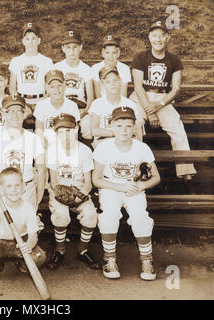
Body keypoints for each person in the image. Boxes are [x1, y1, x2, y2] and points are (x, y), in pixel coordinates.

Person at [92, 106, 161, 280]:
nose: (124, 130)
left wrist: (141, 186)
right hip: (110, 186)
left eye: (128, 126)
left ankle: (147, 260)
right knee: (108, 216)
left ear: (134, 127)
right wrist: (121, 187)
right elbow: (97, 179)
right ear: (112, 125)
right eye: (119, 125)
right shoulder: (103, 147)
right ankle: (109, 259)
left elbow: (156, 177)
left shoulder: (142, 148)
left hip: (134, 187)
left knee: (141, 218)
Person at [130, 20, 196, 180]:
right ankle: (135, 168)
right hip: (141, 98)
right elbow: (138, 87)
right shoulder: (141, 57)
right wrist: (149, 112)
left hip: (163, 99)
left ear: (167, 37)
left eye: (161, 36)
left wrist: (159, 104)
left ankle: (185, 172)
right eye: (154, 36)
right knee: (136, 123)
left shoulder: (173, 60)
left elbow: (176, 89)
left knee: (177, 128)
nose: (158, 39)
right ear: (149, 37)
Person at [46, 113, 100, 270]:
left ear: (76, 128)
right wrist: (66, 199)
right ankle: (60, 250)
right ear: (56, 133)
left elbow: (88, 184)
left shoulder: (85, 150)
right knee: (61, 215)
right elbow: (54, 183)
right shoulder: (53, 150)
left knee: (91, 216)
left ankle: (83, 250)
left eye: (69, 130)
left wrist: (80, 197)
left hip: (80, 189)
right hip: (59, 190)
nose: (66, 135)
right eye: (61, 132)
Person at [0, 167, 47, 281]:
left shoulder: (28, 208)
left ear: (23, 187)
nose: (13, 190)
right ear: (1, 189)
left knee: (40, 257)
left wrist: (29, 245)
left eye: (17, 185)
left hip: (21, 241)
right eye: (8, 186)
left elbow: (33, 236)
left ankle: (22, 264)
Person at [0, 95, 46, 228]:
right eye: (10, 111)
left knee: (26, 226)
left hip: (26, 187)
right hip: (4, 188)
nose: (15, 115)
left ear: (24, 113)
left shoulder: (34, 139)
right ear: (3, 114)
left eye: (18, 111)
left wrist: (39, 197)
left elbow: (42, 170)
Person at [88, 66, 144, 146]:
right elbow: (94, 130)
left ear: (120, 81)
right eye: (108, 82)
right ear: (103, 84)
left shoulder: (129, 103)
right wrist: (116, 133)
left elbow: (136, 128)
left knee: (139, 121)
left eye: (115, 80)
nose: (112, 84)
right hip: (104, 140)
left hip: (125, 141)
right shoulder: (97, 103)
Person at [9, 22, 53, 111]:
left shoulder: (47, 61)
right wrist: (20, 104)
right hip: (22, 101)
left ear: (38, 40)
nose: (31, 42)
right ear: (23, 41)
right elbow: (12, 87)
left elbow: (50, 85)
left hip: (41, 100)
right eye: (27, 39)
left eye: (34, 38)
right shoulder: (16, 61)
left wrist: (44, 102)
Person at [34, 69, 80, 150]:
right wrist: (46, 146)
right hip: (47, 144)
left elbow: (75, 131)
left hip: (66, 144)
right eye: (52, 87)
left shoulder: (72, 105)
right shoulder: (41, 105)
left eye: (59, 85)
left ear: (65, 86)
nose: (56, 90)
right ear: (46, 88)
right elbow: (39, 131)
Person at [54, 30, 94, 118]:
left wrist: (86, 111)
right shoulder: (57, 67)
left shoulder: (86, 68)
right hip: (62, 104)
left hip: (80, 105)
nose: (72, 51)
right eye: (68, 47)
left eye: (75, 47)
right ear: (63, 48)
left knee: (86, 127)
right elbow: (52, 93)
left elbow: (90, 96)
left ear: (80, 47)